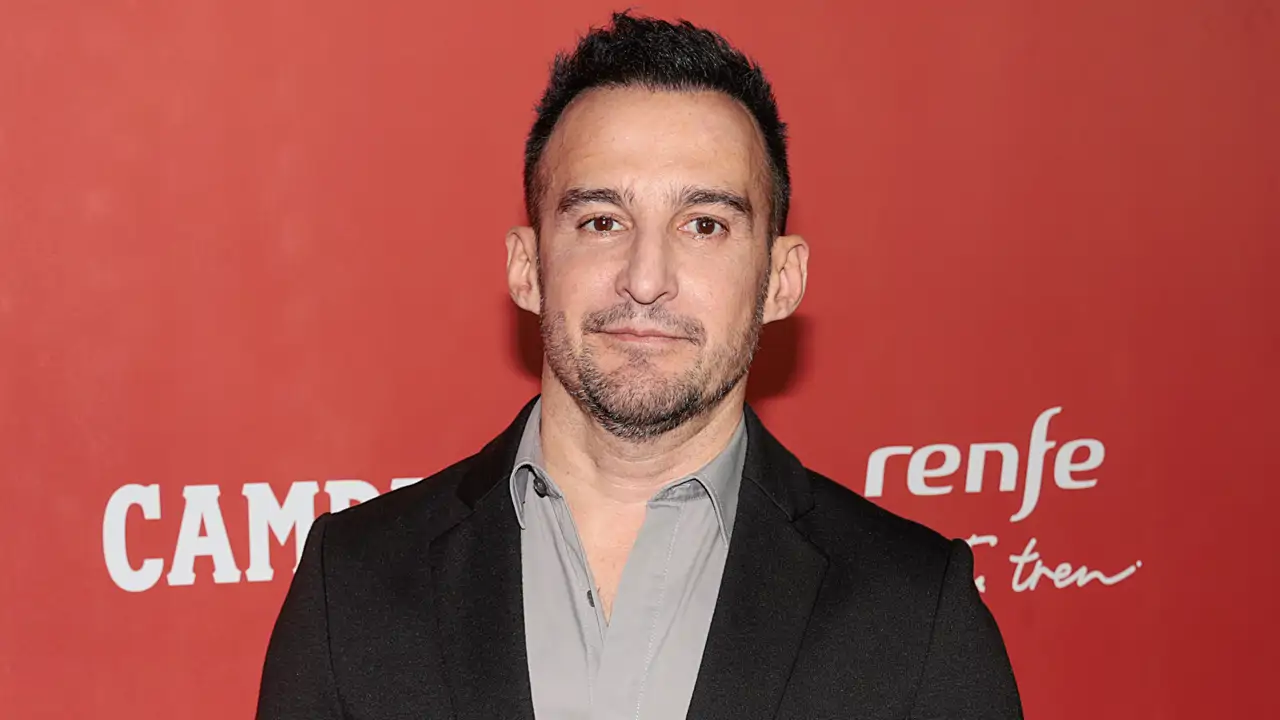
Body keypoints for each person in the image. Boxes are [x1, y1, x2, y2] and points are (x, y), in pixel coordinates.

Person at [256, 12, 1023, 720]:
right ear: (527, 267)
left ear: (782, 280)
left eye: (704, 225)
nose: (646, 278)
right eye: (601, 221)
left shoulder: (916, 610)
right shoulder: (350, 584)